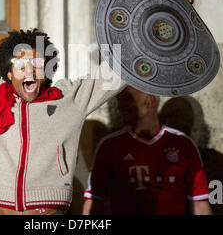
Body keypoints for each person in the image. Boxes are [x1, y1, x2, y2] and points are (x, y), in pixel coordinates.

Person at [0, 0, 193, 215]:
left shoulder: (69, 98)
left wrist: (166, 18)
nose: (29, 71)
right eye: (20, 64)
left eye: (36, 63)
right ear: (7, 73)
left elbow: (120, 68)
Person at [82, 86, 212, 215]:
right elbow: (95, 201)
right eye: (119, 99)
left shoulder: (184, 144)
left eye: (127, 98)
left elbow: (199, 203)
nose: (120, 105)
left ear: (151, 100)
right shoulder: (109, 146)